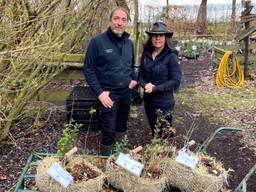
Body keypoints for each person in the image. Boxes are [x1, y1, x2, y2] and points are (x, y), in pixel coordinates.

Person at [84, 7, 137, 156]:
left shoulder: (129, 44)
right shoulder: (97, 42)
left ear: (127, 23)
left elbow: (131, 67)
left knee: (122, 125)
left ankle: (120, 155)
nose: (119, 23)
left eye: (123, 19)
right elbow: (88, 69)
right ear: (110, 20)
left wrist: (133, 79)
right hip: (108, 94)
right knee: (108, 128)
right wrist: (100, 93)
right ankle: (106, 158)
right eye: (116, 18)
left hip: (126, 93)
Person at [139, 22, 181, 137]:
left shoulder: (171, 56)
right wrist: (144, 85)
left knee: (165, 134)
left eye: (161, 35)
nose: (158, 38)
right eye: (154, 35)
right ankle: (156, 151)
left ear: (166, 38)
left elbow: (176, 80)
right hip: (149, 101)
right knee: (154, 131)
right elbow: (141, 76)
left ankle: (164, 152)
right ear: (151, 37)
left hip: (164, 102)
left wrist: (155, 88)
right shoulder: (146, 54)